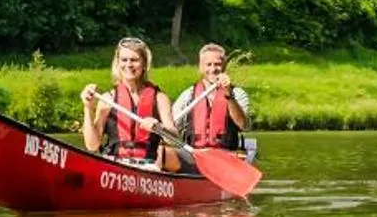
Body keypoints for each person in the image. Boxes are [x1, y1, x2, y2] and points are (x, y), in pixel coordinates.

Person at [79, 37, 184, 171]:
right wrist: (88, 107)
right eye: (124, 60)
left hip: (147, 167)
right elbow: (92, 145)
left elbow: (176, 141)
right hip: (114, 166)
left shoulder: (160, 98)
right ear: (118, 63)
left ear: (144, 64)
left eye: (134, 60)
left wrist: (159, 127)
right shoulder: (108, 99)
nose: (128, 64)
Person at [173, 42, 253, 156]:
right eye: (208, 64)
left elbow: (244, 125)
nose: (213, 69)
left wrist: (229, 96)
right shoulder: (188, 95)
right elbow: (172, 127)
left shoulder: (237, 94)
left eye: (217, 64)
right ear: (200, 67)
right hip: (196, 155)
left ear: (224, 66)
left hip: (227, 155)